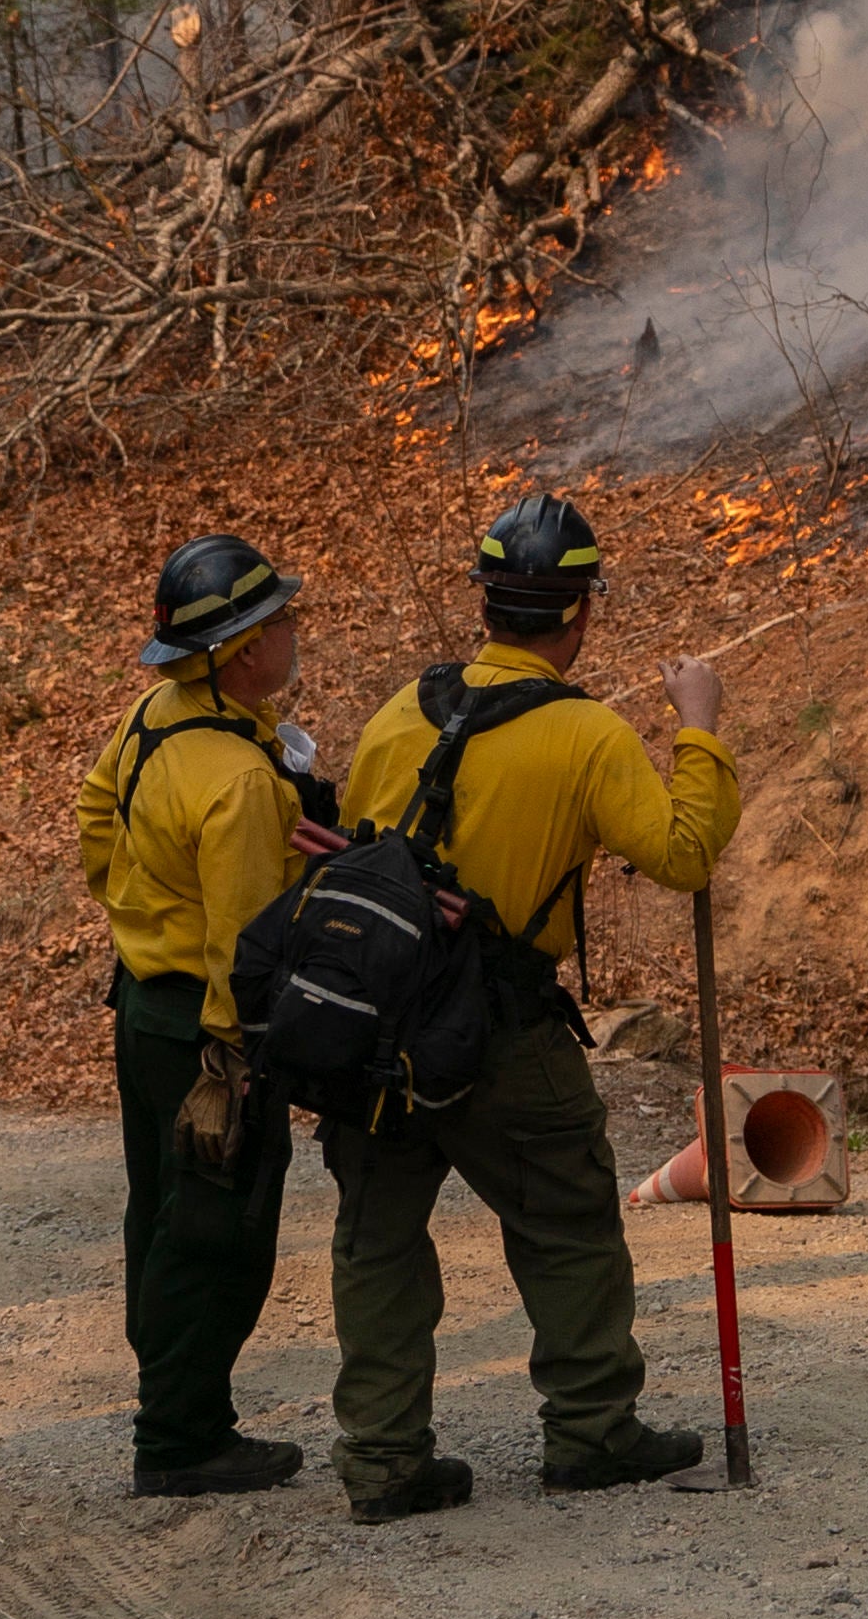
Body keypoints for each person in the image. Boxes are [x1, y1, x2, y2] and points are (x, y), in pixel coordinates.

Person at [318, 490, 739, 1524]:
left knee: (378, 1238)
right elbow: (683, 854)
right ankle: (592, 1432)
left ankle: (382, 1460)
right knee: (567, 1220)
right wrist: (699, 730)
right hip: (500, 1023)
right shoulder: (586, 735)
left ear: (486, 603)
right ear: (581, 611)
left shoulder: (396, 713)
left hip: (375, 1029)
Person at [76, 532, 338, 1497]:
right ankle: (180, 1441)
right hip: (208, 1033)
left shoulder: (158, 715)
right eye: (280, 621)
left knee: (162, 1214)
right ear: (239, 652)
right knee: (217, 1231)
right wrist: (239, 1057)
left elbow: (95, 820)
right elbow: (246, 941)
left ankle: (182, 1410)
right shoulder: (235, 781)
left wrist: (140, 905)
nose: (293, 632)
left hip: (146, 1009)